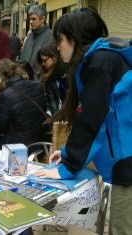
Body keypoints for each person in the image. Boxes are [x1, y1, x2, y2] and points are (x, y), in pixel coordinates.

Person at [33, 8, 132, 235]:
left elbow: (91, 120)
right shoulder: (101, 60)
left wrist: (67, 166)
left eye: (60, 40)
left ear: (75, 39)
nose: (58, 47)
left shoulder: (100, 63)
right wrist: (68, 152)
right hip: (124, 162)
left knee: (121, 229)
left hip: (128, 165)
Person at [0, 58, 49, 153]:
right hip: (40, 142)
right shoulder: (38, 86)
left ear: (0, 76)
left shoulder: (5, 95)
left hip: (19, 148)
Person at [20, 5, 54, 76]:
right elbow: (22, 58)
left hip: (41, 83)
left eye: (34, 19)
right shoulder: (29, 37)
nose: (31, 22)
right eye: (30, 19)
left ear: (43, 19)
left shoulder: (51, 37)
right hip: (25, 81)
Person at [37, 42, 68, 116]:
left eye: (44, 60)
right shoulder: (48, 78)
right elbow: (52, 104)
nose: (43, 64)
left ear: (54, 57)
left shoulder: (69, 72)